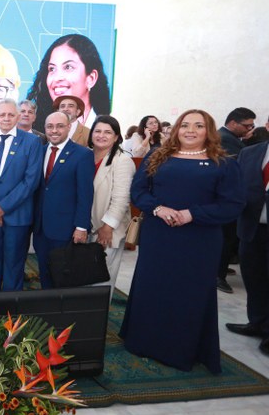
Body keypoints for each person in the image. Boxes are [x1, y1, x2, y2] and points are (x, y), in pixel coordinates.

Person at [120, 109, 245, 374]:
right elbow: (138, 191)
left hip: (199, 240)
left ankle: (180, 350)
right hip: (159, 235)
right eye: (185, 125)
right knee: (152, 286)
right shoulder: (157, 156)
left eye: (198, 126)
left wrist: (193, 214)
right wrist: (157, 208)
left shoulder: (223, 163)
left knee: (189, 291)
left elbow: (232, 205)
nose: (190, 130)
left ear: (208, 131)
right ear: (176, 129)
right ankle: (143, 341)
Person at [0, 99, 42, 292]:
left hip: (17, 215)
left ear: (18, 117)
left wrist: (3, 208)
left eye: (11, 115)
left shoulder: (32, 142)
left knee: (13, 263)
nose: (6, 118)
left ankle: (11, 309)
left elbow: (31, 181)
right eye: (2, 115)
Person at [32, 111, 94, 289]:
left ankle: (62, 314)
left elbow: (85, 194)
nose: (54, 131)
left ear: (69, 127)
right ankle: (47, 308)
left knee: (63, 276)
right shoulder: (40, 152)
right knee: (44, 271)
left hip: (66, 229)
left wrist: (81, 227)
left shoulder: (82, 155)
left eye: (59, 126)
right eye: (50, 127)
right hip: (40, 228)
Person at [227, 117, 269, 356]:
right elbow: (237, 185)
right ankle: (257, 322)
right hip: (251, 227)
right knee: (254, 278)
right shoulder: (250, 152)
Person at [88, 115, 135, 300]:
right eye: (97, 131)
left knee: (101, 279)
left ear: (116, 137)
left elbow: (122, 198)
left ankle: (96, 323)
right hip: (87, 226)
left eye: (108, 132)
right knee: (84, 276)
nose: (101, 135)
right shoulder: (86, 155)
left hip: (107, 230)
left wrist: (107, 227)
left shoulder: (122, 160)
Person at [27, 34, 111, 133]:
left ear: (91, 78)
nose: (57, 78)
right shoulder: (38, 133)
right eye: (52, 69)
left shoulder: (103, 133)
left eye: (68, 67)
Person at [217, 107, 257, 293]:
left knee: (229, 238)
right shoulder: (225, 139)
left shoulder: (233, 139)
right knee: (226, 238)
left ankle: (221, 268)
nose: (250, 129)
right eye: (247, 125)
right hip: (226, 197)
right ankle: (218, 274)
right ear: (233, 123)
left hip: (229, 197)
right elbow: (239, 167)